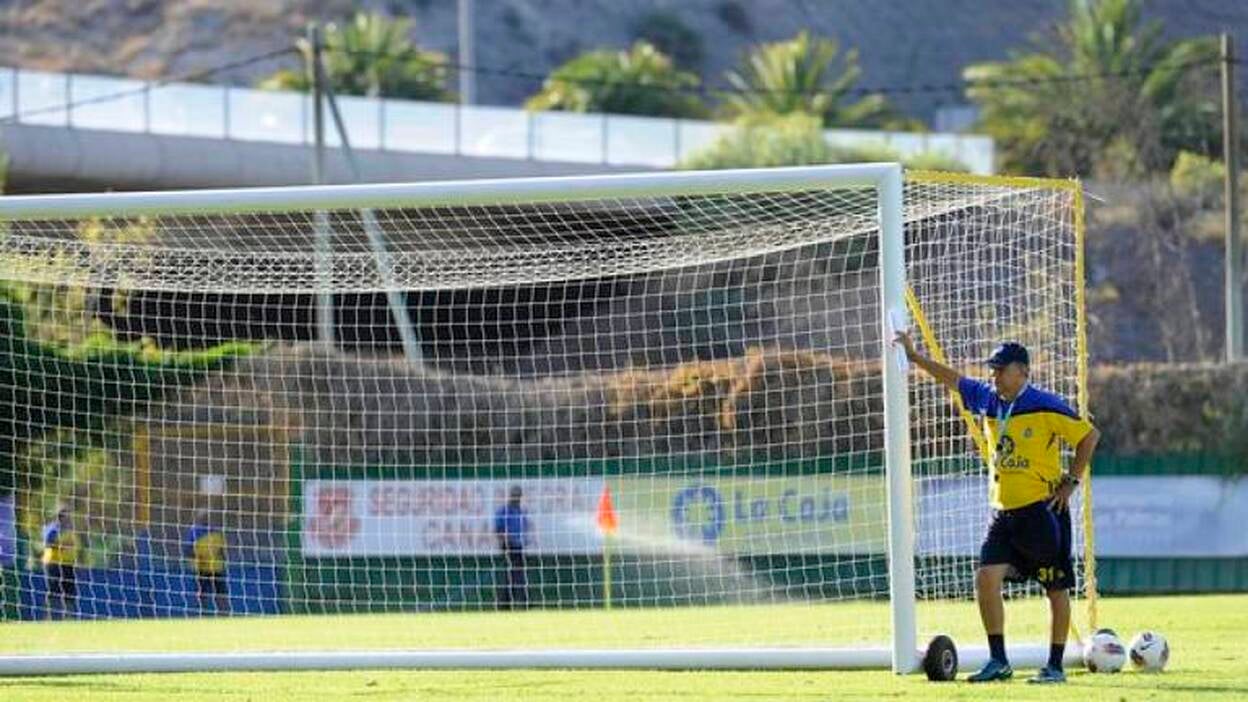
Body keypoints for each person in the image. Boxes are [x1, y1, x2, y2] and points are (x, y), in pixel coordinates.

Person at [895, 335, 1100, 684]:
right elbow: (954, 379)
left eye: (1001, 370)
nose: (994, 376)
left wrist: (1071, 482)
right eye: (992, 370)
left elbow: (1089, 436)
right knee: (986, 578)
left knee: (1055, 588)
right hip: (1003, 513)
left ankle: (1054, 666)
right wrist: (915, 357)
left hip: (1041, 511)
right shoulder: (989, 400)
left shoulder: (1044, 404)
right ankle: (998, 661)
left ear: (1022, 372)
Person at [493, 485, 532, 609]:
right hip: (509, 546)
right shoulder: (504, 511)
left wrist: (524, 541)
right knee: (515, 574)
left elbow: (524, 528)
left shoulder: (520, 511)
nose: (517, 498)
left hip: (519, 546)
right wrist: (505, 542)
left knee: (515, 574)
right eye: (515, 495)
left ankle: (508, 602)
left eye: (518, 495)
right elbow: (498, 529)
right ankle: (518, 601)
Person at [184, 511, 230, 615]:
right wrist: (199, 557)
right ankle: (203, 614)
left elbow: (222, 550)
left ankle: (224, 615)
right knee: (202, 594)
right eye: (204, 517)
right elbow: (188, 550)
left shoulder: (216, 532)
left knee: (221, 594)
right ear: (198, 518)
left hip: (216, 568)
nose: (206, 519)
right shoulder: (194, 532)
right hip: (201, 568)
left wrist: (223, 561)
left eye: (207, 517)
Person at [41, 506, 78, 620]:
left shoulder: (70, 530)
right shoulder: (53, 529)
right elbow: (48, 543)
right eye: (67, 516)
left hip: (68, 564)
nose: (70, 518)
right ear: (60, 517)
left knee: (69, 591)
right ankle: (51, 617)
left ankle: (70, 618)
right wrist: (62, 546)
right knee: (54, 591)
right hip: (54, 564)